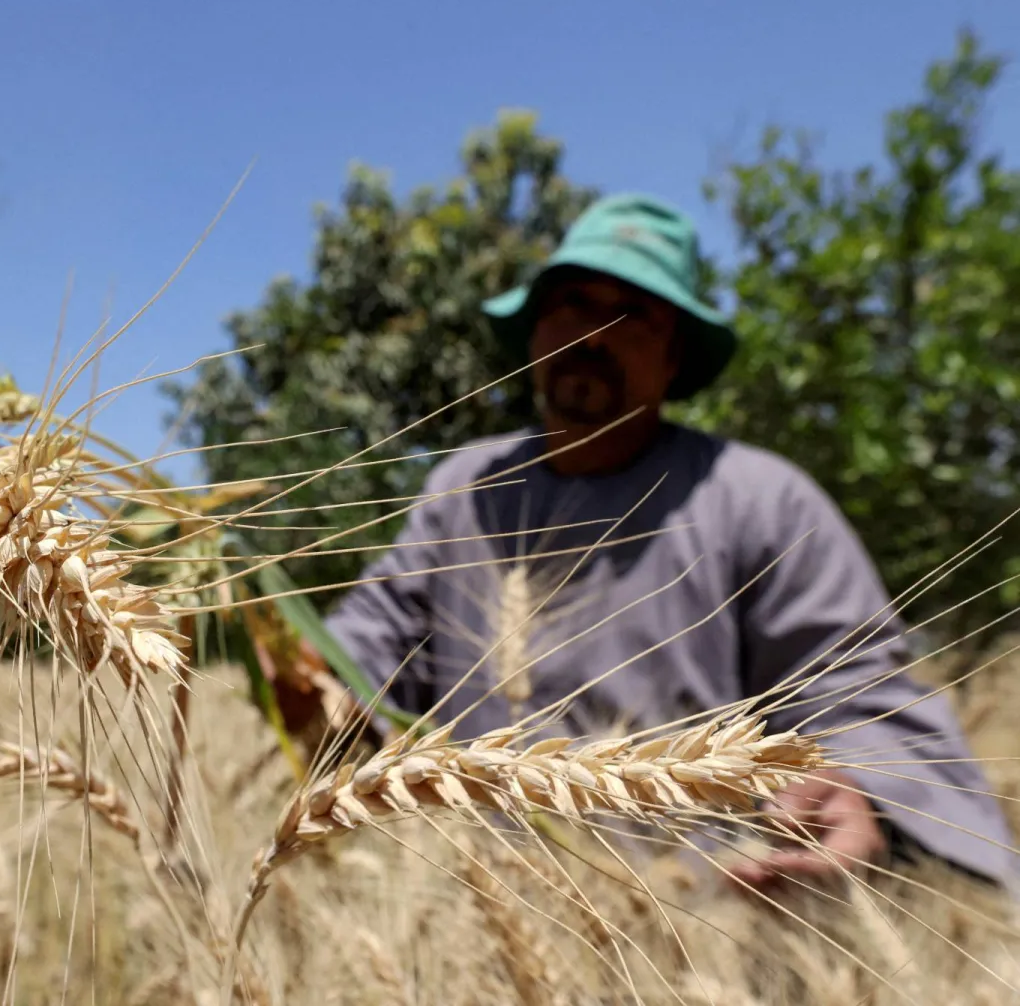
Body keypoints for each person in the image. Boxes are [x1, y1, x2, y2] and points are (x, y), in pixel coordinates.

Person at [309, 192, 1016, 891]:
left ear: (674, 357)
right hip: (472, 910)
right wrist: (305, 673)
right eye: (571, 305)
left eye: (631, 315)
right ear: (532, 335)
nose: (592, 335)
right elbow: (368, 649)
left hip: (689, 927)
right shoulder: (465, 488)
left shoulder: (759, 498)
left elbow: (851, 686)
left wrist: (855, 792)